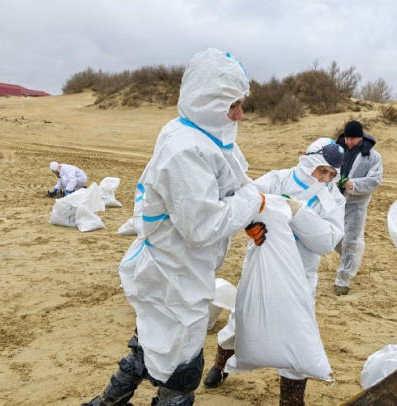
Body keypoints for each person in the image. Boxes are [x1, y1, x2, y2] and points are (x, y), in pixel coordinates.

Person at [81, 48, 268, 406]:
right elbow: (201, 225)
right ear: (208, 101)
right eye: (234, 105)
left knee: (152, 337)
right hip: (175, 270)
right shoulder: (186, 148)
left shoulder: (206, 131)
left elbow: (231, 183)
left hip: (178, 265)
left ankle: (109, 401)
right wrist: (251, 205)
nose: (240, 115)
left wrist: (249, 216)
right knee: (181, 366)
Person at [203, 137, 346, 405]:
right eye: (322, 170)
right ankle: (220, 366)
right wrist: (249, 226)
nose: (325, 179)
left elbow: (326, 241)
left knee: (297, 333)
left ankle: (291, 400)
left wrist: (297, 211)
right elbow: (244, 203)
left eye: (331, 174)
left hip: (300, 276)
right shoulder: (278, 180)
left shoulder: (333, 200)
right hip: (262, 267)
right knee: (241, 318)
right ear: (309, 161)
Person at [333, 120, 383, 295]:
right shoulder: (337, 149)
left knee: (351, 240)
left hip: (357, 203)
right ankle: (351, 260)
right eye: (346, 138)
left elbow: (375, 180)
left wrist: (353, 184)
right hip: (334, 201)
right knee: (334, 237)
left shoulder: (372, 156)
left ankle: (343, 280)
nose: (348, 142)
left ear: (360, 137)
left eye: (352, 139)